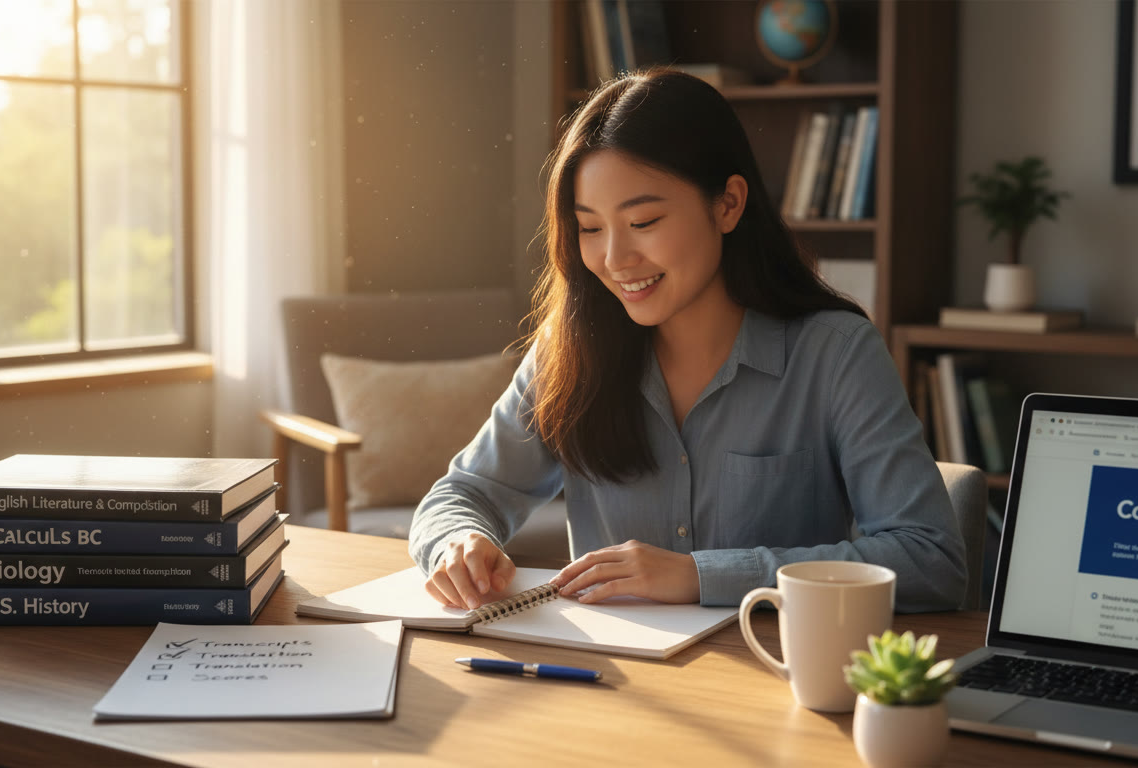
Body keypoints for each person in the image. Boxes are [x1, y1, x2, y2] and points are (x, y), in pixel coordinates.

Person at [408, 68, 965, 613]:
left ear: (728, 205)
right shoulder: (571, 347)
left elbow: (931, 558)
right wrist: (458, 542)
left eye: (644, 221)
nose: (614, 259)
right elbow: (460, 496)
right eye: (591, 228)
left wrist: (702, 574)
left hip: (770, 678)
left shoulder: (836, 354)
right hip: (613, 683)